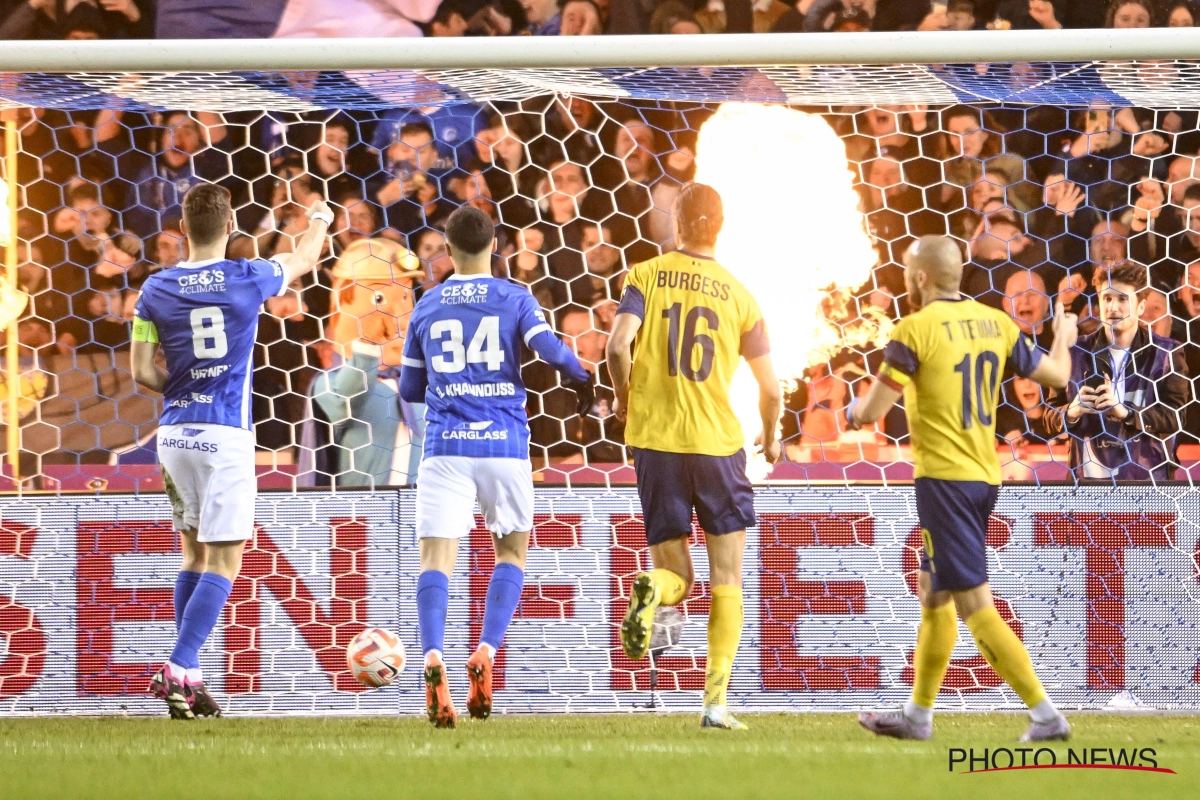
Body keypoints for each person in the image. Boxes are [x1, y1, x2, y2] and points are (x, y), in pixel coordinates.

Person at [851, 235, 1077, 743]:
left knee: (975, 602)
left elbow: (870, 413)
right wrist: (1062, 333)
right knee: (935, 593)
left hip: (945, 482)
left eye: (910, 272)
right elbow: (1059, 373)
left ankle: (1045, 715)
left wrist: (850, 410)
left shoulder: (914, 329)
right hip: (984, 475)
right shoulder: (996, 323)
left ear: (922, 278)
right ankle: (918, 715)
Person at [131, 184, 333, 719]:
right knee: (226, 559)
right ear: (230, 226)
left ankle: (190, 682)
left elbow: (139, 371)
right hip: (224, 437)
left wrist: (182, 389)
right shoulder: (248, 277)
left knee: (193, 555)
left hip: (175, 435)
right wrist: (319, 216)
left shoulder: (155, 288)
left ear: (182, 226)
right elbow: (307, 256)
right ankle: (177, 664)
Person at [398, 205, 594, 728]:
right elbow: (547, 348)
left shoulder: (428, 303)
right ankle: (485, 649)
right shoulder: (514, 297)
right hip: (504, 443)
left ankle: (433, 656)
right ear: (495, 245)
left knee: (435, 558)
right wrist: (583, 377)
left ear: (446, 248)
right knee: (511, 548)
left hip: (445, 448)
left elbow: (410, 389)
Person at [606, 182, 782, 730]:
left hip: (656, 442)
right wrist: (772, 435)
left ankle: (651, 590)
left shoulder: (645, 276)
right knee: (727, 576)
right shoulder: (740, 295)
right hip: (717, 447)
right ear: (721, 227)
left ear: (674, 225)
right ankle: (715, 705)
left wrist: (623, 397)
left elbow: (616, 346)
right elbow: (771, 389)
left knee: (675, 576)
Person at [1055, 261, 1189, 480]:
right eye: (1107, 298)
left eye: (1122, 299)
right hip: (1088, 489)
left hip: (1147, 487)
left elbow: (1176, 417)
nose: (1113, 307)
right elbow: (1049, 416)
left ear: (1141, 306)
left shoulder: (1166, 353)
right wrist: (1072, 411)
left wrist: (1126, 413)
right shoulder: (1075, 353)